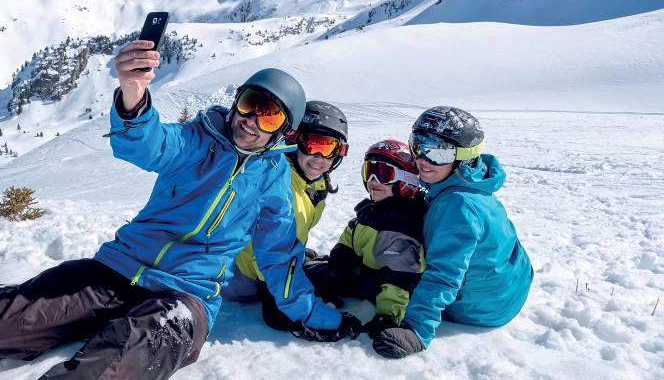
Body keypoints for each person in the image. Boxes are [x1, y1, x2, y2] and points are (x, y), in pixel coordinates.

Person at [0, 40, 360, 380]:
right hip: (118, 271)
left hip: (185, 298)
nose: (252, 120)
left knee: (114, 368)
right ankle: (5, 299)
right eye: (251, 103)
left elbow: (280, 260)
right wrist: (133, 94)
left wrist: (320, 318)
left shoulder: (273, 182)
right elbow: (146, 143)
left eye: (269, 116)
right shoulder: (198, 140)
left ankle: (118, 334)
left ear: (282, 131)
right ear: (237, 102)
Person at [371, 106, 533, 359]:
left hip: (483, 309)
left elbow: (444, 273)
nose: (422, 160)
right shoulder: (474, 185)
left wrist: (416, 329)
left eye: (437, 153)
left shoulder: (457, 205)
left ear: (464, 157)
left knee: (386, 273)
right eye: (418, 146)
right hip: (509, 288)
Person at [224, 100, 350, 331]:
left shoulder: (313, 184)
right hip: (239, 278)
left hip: (263, 268)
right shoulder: (281, 184)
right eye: (312, 145)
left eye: (328, 148)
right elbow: (270, 260)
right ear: (295, 141)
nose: (319, 157)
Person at [324, 140, 427, 336]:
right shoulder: (371, 210)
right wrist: (336, 272)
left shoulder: (401, 223)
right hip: (364, 274)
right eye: (368, 171)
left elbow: (400, 278)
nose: (373, 180)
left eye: (383, 173)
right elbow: (348, 242)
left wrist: (387, 316)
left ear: (407, 179)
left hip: (382, 287)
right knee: (313, 273)